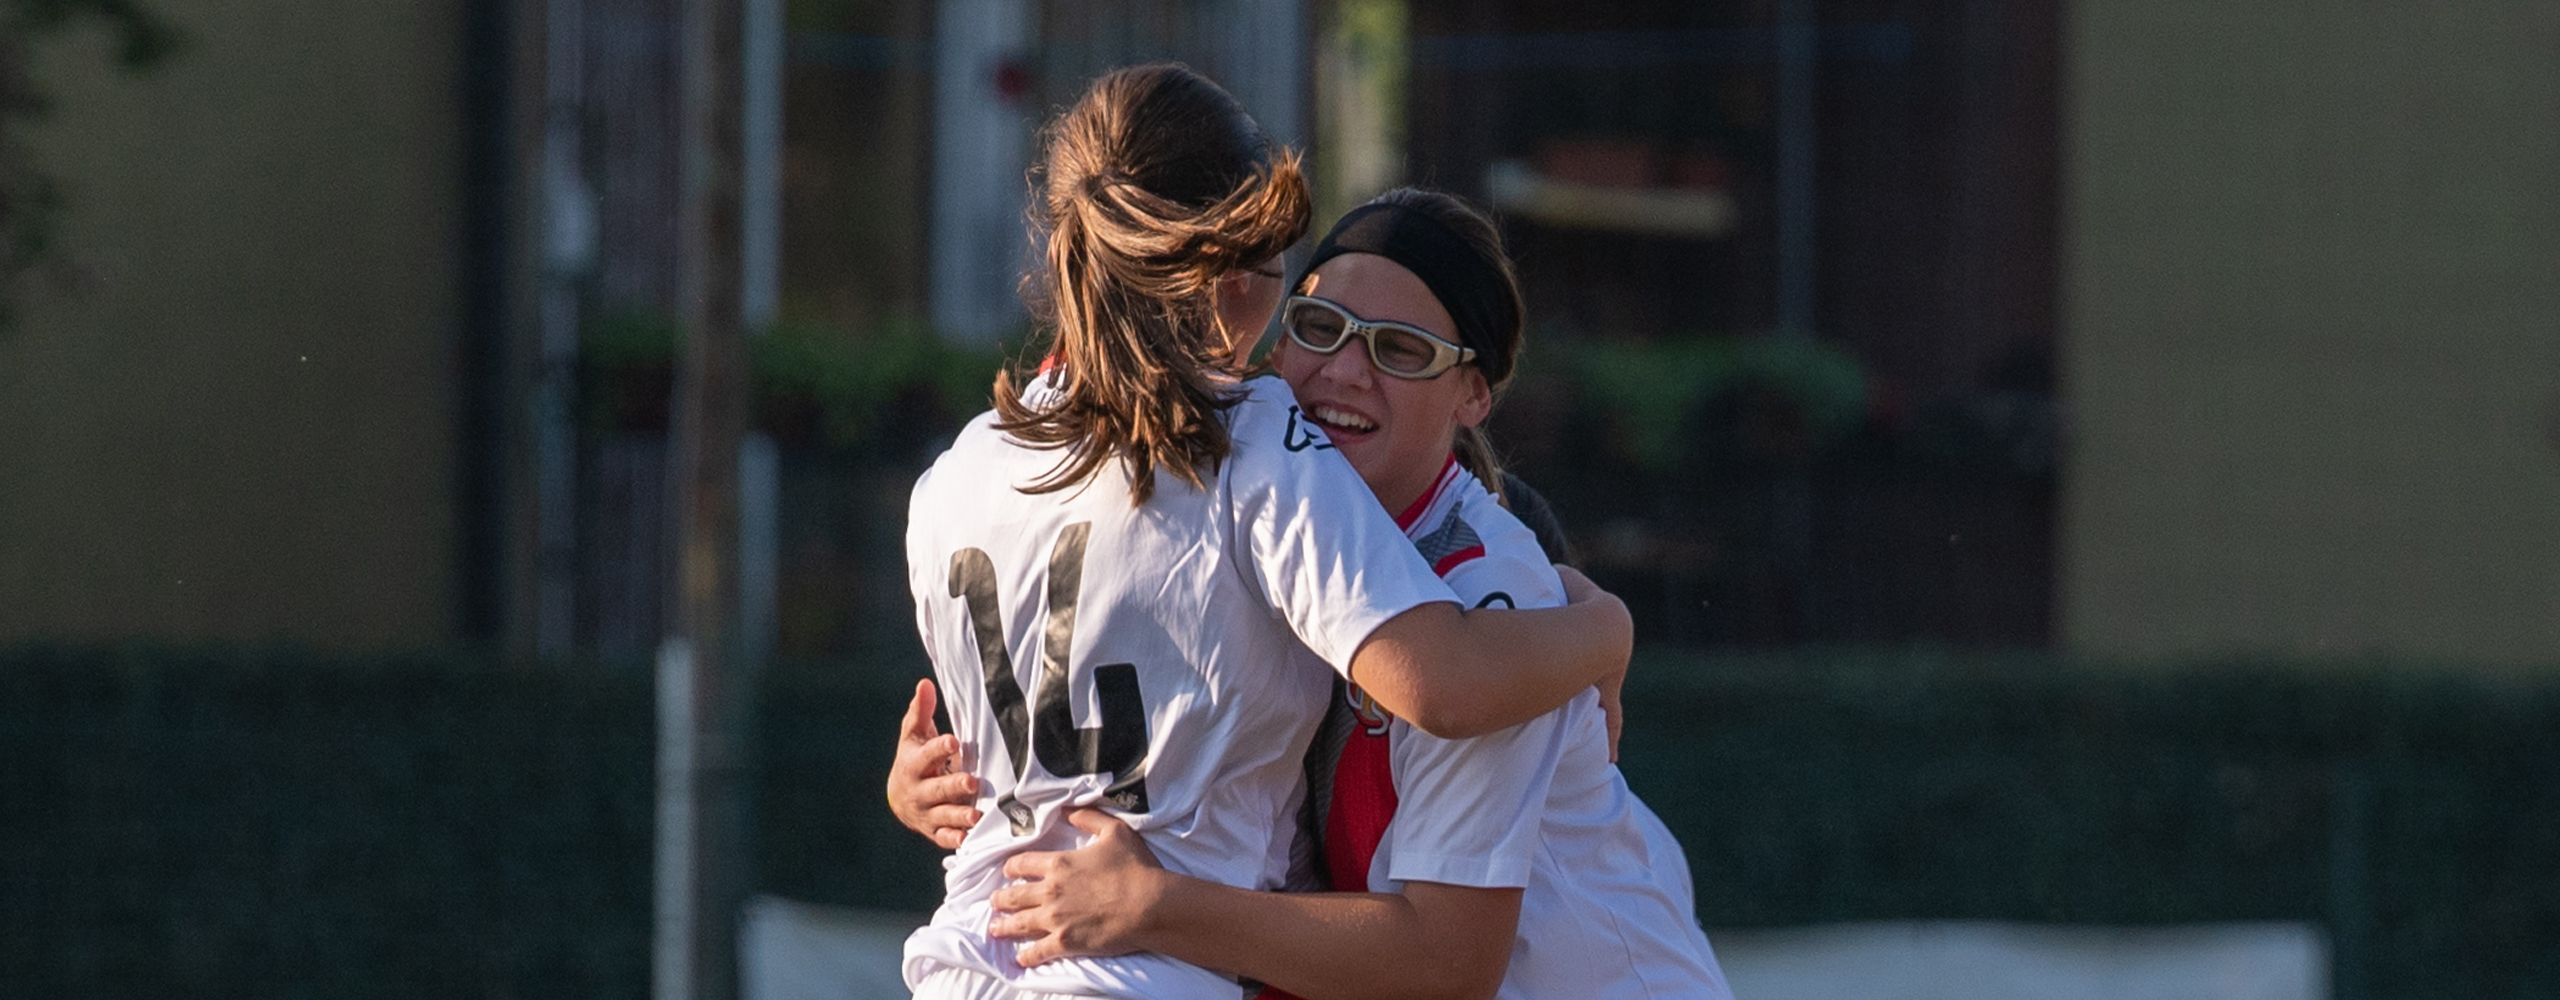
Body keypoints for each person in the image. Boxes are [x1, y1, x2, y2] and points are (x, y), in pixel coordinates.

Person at [897, 65, 1636, 1000]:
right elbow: (1442, 683)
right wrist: (1608, 628)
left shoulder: (958, 471)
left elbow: (1004, 747)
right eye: (1299, 295)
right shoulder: (1255, 443)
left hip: (963, 966)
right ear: (1236, 273)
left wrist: (911, 784)